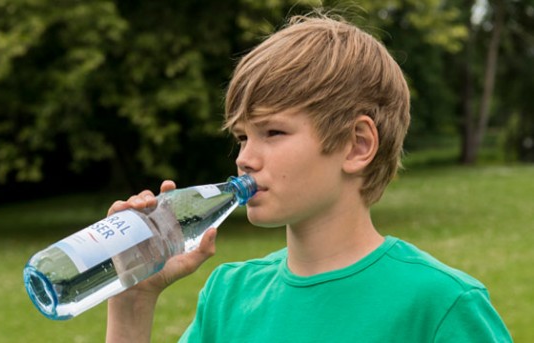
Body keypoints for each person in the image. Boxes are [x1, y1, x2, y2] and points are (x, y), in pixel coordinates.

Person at [105, 12, 513, 343]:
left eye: (273, 132)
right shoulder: (228, 295)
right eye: (243, 137)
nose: (245, 158)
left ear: (357, 145)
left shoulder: (440, 305)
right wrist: (132, 303)